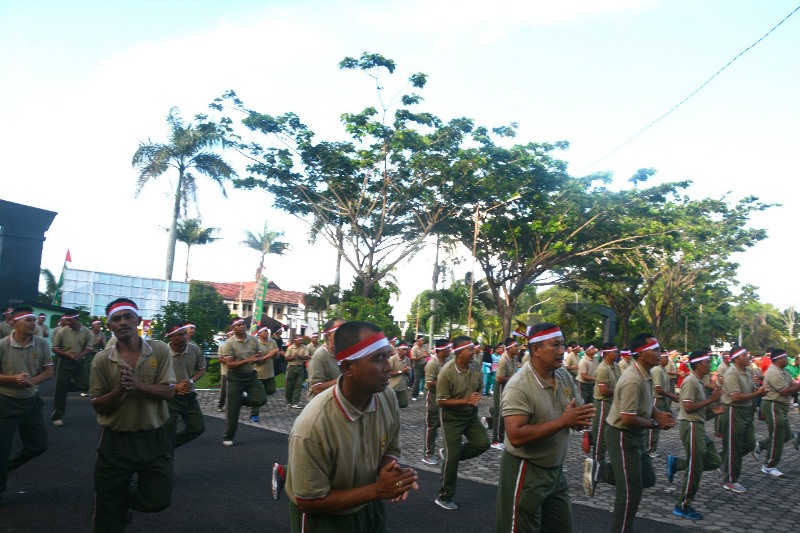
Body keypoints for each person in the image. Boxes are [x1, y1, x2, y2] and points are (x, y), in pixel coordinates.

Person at [285, 321, 418, 532]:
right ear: (347, 368)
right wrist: (378, 490)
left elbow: (391, 448)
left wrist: (390, 474)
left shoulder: (387, 398)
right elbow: (308, 500)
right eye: (378, 359)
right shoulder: (312, 427)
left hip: (368, 507)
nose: (388, 368)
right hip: (326, 519)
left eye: (388, 356)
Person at [495, 322, 593, 532]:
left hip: (555, 471)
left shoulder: (562, 375)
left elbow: (574, 410)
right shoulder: (518, 386)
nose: (562, 351)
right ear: (536, 350)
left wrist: (578, 420)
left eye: (562, 345)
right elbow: (516, 436)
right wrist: (564, 422)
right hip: (526, 469)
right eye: (555, 345)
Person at [90, 298, 176, 532]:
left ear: (138, 320)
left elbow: (169, 392)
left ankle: (122, 499)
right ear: (110, 327)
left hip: (153, 438)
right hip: (115, 440)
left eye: (128, 316)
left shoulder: (159, 350)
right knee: (107, 515)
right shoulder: (101, 359)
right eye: (116, 319)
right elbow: (98, 405)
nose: (123, 322)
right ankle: (115, 504)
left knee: (158, 500)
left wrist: (138, 385)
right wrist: (119, 390)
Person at [583, 333, 676, 533]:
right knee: (630, 493)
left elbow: (648, 402)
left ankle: (600, 471)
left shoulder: (646, 373)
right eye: (656, 350)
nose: (660, 354)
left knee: (647, 479)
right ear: (642, 354)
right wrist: (655, 423)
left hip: (635, 435)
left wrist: (658, 414)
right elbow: (627, 418)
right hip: (622, 435)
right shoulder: (633, 379)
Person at [0, 307, 54, 499]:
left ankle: (7, 467)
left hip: (31, 402)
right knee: (1, 449)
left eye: (34, 320)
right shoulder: (2, 345)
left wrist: (32, 381)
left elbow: (48, 371)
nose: (33, 324)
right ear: (14, 323)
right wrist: (14, 379)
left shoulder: (41, 343)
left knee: (38, 445)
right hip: (5, 403)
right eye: (28, 320)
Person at [666, 349, 723, 520]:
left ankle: (677, 464)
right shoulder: (690, 381)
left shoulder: (698, 381)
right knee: (695, 468)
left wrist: (713, 410)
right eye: (707, 362)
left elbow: (699, 408)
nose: (710, 365)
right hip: (690, 426)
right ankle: (682, 505)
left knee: (714, 461)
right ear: (698, 364)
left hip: (697, 425)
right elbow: (688, 407)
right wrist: (711, 400)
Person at [435, 336, 490, 510]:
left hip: (470, 416)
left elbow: (479, 388)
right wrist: (466, 400)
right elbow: (441, 401)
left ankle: (451, 455)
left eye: (474, 350)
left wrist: (477, 396)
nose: (474, 353)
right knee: (452, 459)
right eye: (470, 350)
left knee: (483, 443)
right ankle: (444, 496)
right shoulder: (447, 372)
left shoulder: (475, 367)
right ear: (459, 352)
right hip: (451, 419)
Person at [720, 346, 765, 493]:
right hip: (734, 411)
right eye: (745, 355)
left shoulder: (746, 371)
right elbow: (736, 397)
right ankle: (731, 480)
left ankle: (724, 461)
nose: (748, 357)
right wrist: (757, 394)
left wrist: (760, 389)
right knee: (734, 448)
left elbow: (751, 389)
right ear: (736, 358)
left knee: (750, 443)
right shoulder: (731, 373)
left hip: (746, 411)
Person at [217, 318, 267, 446]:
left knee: (261, 400)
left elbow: (259, 356)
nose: (241, 327)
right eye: (238, 325)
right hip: (235, 378)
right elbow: (230, 364)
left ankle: (242, 401)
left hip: (250, 376)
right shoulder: (229, 343)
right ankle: (228, 436)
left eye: (243, 324)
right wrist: (247, 360)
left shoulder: (253, 340)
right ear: (233, 328)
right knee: (232, 411)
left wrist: (259, 358)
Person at [753, 348, 800, 477]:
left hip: (780, 406)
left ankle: (761, 444)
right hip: (773, 405)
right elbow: (785, 391)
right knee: (777, 436)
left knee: (786, 435)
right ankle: (769, 465)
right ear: (778, 359)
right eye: (785, 357)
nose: (787, 359)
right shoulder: (773, 372)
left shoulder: (783, 371)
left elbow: (793, 384)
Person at [162, 322, 206, 449]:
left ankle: (166, 447)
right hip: (170, 398)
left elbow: (202, 369)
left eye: (185, 334)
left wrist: (191, 381)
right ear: (170, 337)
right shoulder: (163, 353)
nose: (184, 337)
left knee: (198, 428)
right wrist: (176, 386)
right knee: (167, 429)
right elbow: (155, 378)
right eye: (179, 335)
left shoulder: (194, 349)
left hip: (189, 396)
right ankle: (164, 450)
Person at [50, 311, 91, 426]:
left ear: (77, 319)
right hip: (64, 362)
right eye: (66, 320)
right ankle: (57, 417)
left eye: (70, 320)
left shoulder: (86, 332)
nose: (68, 323)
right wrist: (67, 354)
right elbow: (54, 348)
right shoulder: (62, 331)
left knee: (85, 385)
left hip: (79, 362)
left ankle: (65, 386)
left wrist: (81, 355)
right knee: (60, 393)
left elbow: (88, 347)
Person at [589, 342, 621, 461]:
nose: (617, 354)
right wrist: (620, 392)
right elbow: (603, 390)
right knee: (600, 433)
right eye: (614, 352)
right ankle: (598, 461)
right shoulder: (603, 368)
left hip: (612, 403)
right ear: (607, 354)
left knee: (611, 432)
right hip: (603, 403)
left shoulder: (615, 366)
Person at [422, 339, 451, 465]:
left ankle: (445, 451)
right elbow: (429, 383)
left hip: (444, 399)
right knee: (431, 427)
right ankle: (428, 454)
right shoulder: (432, 364)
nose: (450, 350)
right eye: (448, 348)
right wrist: (445, 383)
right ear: (441, 350)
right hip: (433, 399)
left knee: (446, 425)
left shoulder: (447, 362)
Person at [648, 352, 679, 458]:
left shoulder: (662, 369)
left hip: (663, 399)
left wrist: (673, 396)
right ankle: (650, 448)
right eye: (665, 358)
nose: (667, 359)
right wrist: (671, 396)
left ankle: (653, 447)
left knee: (665, 419)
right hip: (657, 399)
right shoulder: (657, 370)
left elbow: (665, 388)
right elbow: (658, 389)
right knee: (655, 423)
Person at [306, 318, 345, 400]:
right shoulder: (320, 357)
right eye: (339, 332)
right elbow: (316, 388)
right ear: (328, 335)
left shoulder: (343, 353)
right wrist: (345, 380)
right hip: (322, 408)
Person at [491, 338, 519, 451]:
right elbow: (499, 378)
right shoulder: (504, 360)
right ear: (509, 348)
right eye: (515, 346)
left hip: (509, 387)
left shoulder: (514, 358)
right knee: (500, 414)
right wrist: (513, 378)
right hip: (501, 387)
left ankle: (489, 419)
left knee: (507, 412)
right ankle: (496, 440)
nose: (517, 348)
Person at [250, 325, 278, 423]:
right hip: (258, 374)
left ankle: (253, 397)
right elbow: (257, 361)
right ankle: (254, 414)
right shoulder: (255, 343)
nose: (267, 332)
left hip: (270, 373)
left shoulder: (272, 342)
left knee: (271, 390)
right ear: (259, 333)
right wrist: (270, 354)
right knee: (257, 396)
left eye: (267, 331)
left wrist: (276, 354)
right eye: (265, 331)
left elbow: (276, 357)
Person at [284, 335, 309, 409]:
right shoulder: (290, 348)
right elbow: (286, 358)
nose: (301, 341)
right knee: (290, 386)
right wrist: (293, 357)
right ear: (295, 340)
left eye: (301, 340)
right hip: (291, 367)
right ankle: (289, 401)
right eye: (299, 340)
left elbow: (306, 357)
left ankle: (295, 402)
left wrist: (299, 356)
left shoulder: (304, 347)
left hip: (300, 367)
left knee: (298, 386)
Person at [388, 342, 411, 408]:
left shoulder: (407, 360)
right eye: (403, 349)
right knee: (391, 405)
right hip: (393, 387)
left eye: (406, 349)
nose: (405, 351)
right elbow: (389, 373)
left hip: (402, 387)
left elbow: (408, 374)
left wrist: (406, 371)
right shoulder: (392, 359)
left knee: (403, 404)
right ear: (398, 350)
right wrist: (401, 371)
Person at [410, 336, 428, 401]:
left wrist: (427, 354)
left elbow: (427, 354)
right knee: (417, 381)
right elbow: (414, 359)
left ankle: (426, 393)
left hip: (424, 364)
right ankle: (414, 395)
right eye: (421, 340)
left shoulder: (425, 346)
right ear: (418, 341)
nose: (423, 341)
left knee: (427, 378)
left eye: (423, 340)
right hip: (417, 366)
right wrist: (422, 356)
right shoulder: (414, 349)